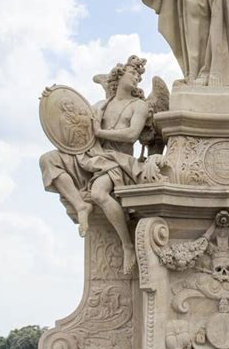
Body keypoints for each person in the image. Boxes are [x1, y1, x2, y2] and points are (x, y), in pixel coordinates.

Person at [39, 56, 150, 273]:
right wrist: (50, 100)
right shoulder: (100, 106)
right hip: (93, 156)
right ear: (119, 75)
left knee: (99, 193)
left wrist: (100, 132)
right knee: (48, 159)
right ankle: (80, 205)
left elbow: (131, 134)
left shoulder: (139, 106)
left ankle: (127, 245)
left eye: (139, 75)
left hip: (118, 161)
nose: (137, 77)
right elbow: (76, 122)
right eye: (133, 73)